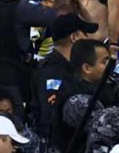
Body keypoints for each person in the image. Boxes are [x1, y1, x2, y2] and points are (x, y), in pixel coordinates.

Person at [30, 13, 98, 141]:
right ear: (75, 37)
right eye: (86, 34)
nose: (90, 39)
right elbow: (49, 119)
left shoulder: (69, 68)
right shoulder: (52, 72)